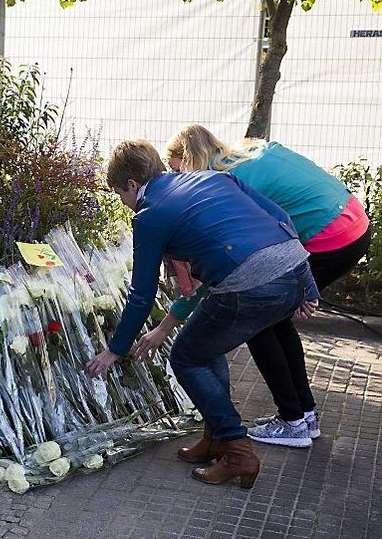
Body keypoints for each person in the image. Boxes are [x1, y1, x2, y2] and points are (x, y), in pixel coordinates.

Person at [86, 139, 319, 488]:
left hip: (250, 282)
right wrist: (307, 285)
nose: (124, 203)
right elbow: (281, 219)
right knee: (204, 345)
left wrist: (115, 349)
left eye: (120, 194)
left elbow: (141, 293)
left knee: (186, 357)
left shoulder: (149, 216)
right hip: (293, 270)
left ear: (132, 185)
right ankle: (215, 439)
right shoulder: (213, 179)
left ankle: (237, 450)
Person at [135, 125, 371, 448]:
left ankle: (293, 421)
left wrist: (166, 325)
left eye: (177, 170)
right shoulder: (248, 154)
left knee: (257, 315)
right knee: (274, 316)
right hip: (354, 222)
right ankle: (303, 415)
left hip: (328, 235)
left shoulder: (226, 183)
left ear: (189, 160)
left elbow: (219, 278)